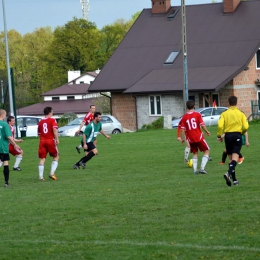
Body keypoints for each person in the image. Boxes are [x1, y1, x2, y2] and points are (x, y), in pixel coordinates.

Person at [217, 96, 249, 186]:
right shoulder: (241, 113)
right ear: (236, 103)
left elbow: (220, 126)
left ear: (228, 103)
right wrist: (242, 132)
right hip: (237, 135)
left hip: (228, 136)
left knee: (230, 159)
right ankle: (228, 173)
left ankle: (234, 180)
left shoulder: (224, 113)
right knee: (235, 158)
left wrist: (219, 135)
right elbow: (246, 126)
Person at [177, 100, 211, 174]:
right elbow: (202, 124)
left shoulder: (184, 117)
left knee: (195, 153)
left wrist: (183, 139)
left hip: (190, 138)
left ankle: (195, 170)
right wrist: (207, 131)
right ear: (194, 106)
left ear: (187, 107)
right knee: (207, 150)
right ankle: (202, 168)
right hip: (199, 137)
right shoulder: (197, 114)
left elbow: (182, 130)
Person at [37, 107, 59, 181]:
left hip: (42, 141)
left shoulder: (40, 122)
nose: (53, 113)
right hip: (50, 141)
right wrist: (57, 139)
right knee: (56, 156)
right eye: (52, 112)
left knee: (42, 158)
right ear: (49, 112)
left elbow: (39, 133)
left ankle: (40, 177)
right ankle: (52, 173)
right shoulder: (52, 120)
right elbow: (54, 129)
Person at [0, 109, 20, 187]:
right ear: (2, 115)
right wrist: (15, 144)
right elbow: (9, 137)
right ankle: (6, 182)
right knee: (5, 163)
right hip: (3, 147)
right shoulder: (5, 125)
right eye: (5, 115)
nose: (5, 117)